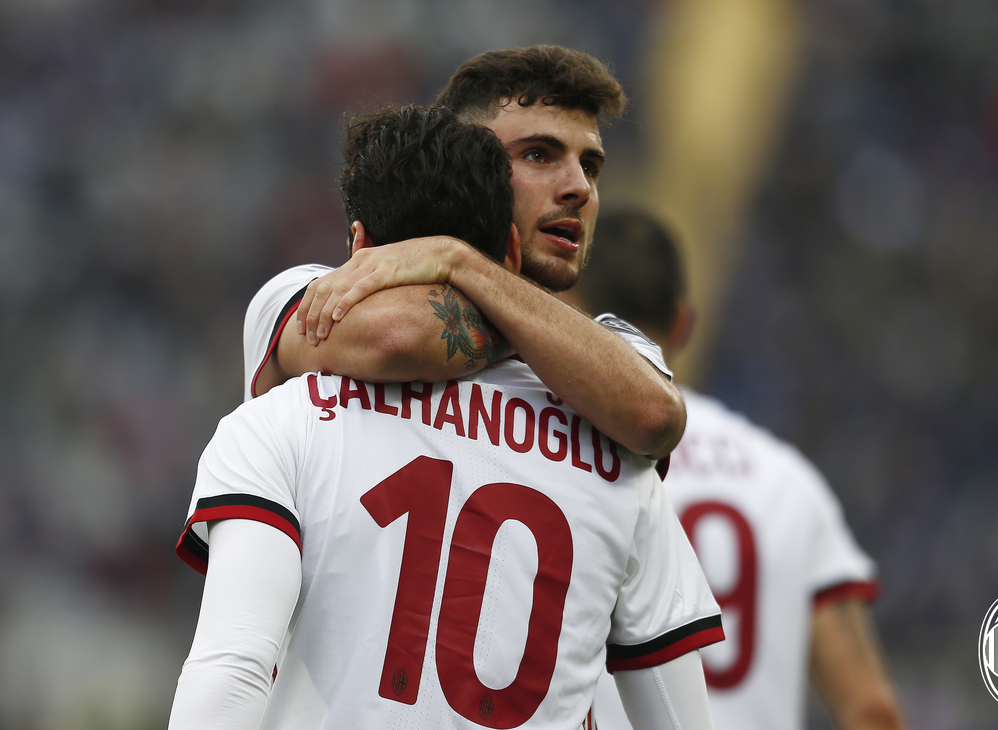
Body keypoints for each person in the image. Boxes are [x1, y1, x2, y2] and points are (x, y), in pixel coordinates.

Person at [168, 107, 724, 729]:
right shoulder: (617, 458)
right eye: (541, 155)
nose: (577, 186)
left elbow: (233, 669)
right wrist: (508, 293)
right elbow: (678, 720)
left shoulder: (285, 417)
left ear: (357, 247)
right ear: (512, 250)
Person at [244, 45, 684, 461]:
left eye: (590, 166)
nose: (580, 188)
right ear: (472, 159)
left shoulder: (617, 342)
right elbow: (396, 336)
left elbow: (655, 417)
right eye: (538, 154)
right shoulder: (307, 288)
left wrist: (460, 261)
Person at [563, 209, 908, 730]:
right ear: (684, 323)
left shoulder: (551, 455)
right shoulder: (788, 481)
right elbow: (871, 709)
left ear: (565, 310)